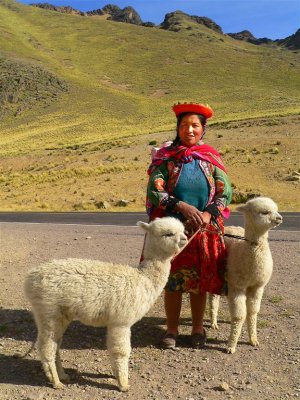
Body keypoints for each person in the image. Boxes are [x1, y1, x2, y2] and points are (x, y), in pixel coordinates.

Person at [146, 102, 232, 349]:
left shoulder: (211, 159)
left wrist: (208, 213)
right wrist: (181, 206)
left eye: (195, 125)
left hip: (203, 229)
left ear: (203, 129)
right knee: (172, 279)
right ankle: (171, 330)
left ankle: (197, 328)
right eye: (184, 125)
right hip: (172, 230)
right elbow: (155, 191)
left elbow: (225, 192)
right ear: (178, 128)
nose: (189, 130)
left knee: (199, 282)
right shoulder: (166, 159)